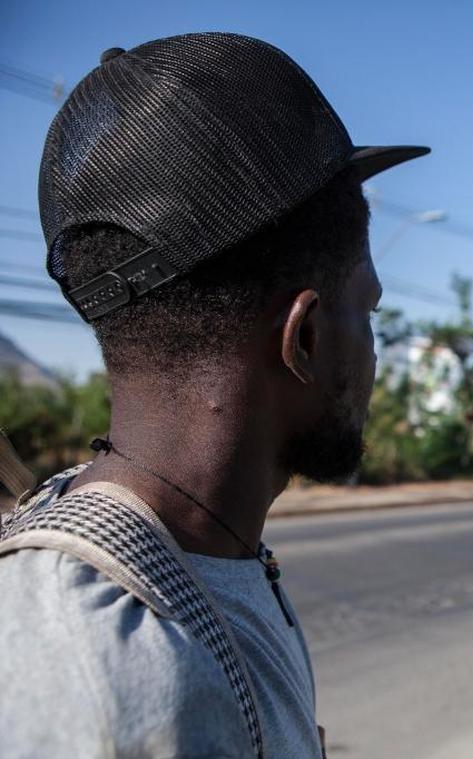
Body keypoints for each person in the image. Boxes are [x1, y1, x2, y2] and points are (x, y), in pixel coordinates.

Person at [0, 33, 427, 757]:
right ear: (305, 337)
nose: (374, 349)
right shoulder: (105, 679)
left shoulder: (211, 554)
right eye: (370, 310)